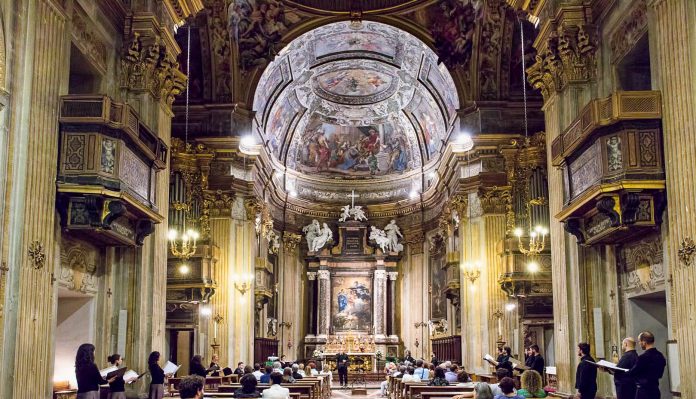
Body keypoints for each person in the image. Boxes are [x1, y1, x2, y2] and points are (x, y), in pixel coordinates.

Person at [627, 331, 667, 399]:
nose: (639, 344)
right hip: (655, 391)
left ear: (644, 342)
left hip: (643, 393)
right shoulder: (660, 356)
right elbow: (660, 374)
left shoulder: (643, 358)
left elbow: (632, 373)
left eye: (639, 341)